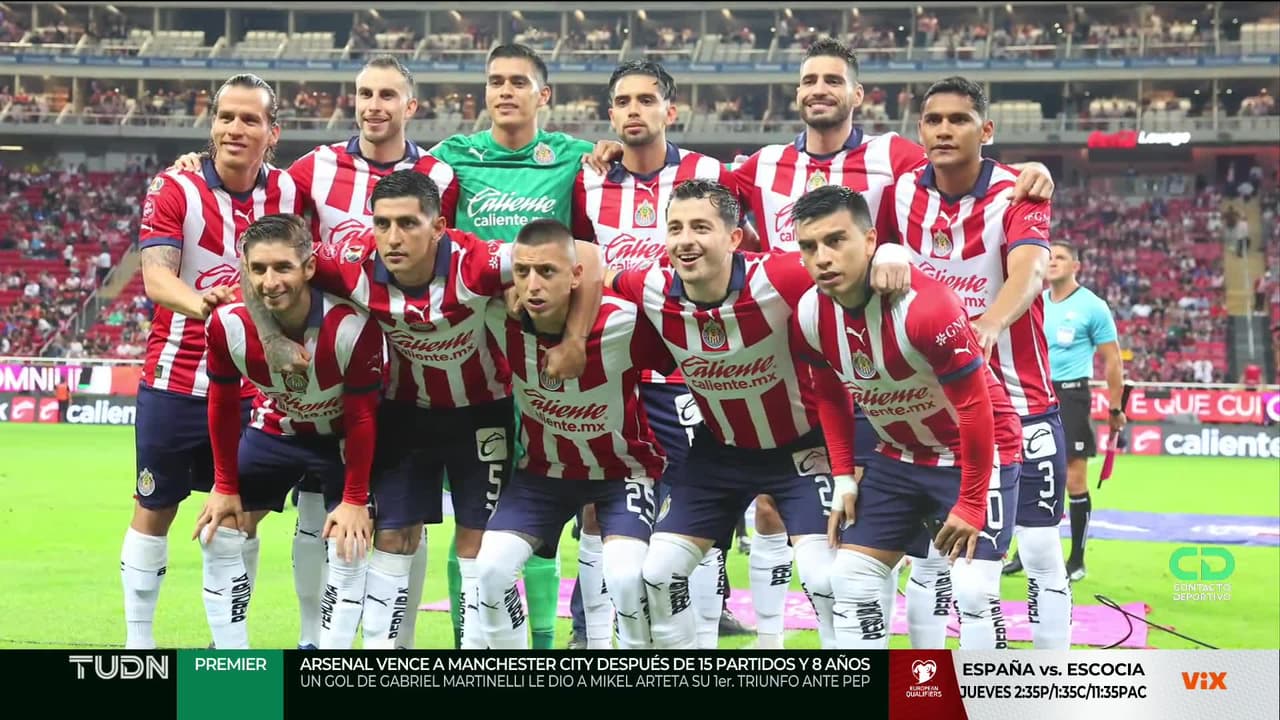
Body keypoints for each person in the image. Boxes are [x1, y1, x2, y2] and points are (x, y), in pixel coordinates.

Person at [242, 170, 601, 649]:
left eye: (408, 223)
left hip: (482, 416)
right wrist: (269, 338)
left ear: (439, 227)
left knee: (479, 547)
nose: (392, 237)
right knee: (393, 540)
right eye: (382, 223)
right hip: (405, 415)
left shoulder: (476, 262)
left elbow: (588, 255)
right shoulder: (352, 263)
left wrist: (574, 341)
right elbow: (257, 263)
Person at [170, 54, 458, 649]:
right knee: (313, 519)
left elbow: (447, 258)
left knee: (398, 524)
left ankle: (393, 650)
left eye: (387, 95)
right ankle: (302, 645)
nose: (373, 105)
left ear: (410, 106)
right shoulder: (313, 168)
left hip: (408, 372)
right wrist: (199, 164)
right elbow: (268, 249)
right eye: (364, 93)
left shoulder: (441, 173)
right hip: (316, 361)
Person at [871, 76, 1072, 650]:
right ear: (919, 130)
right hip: (939, 409)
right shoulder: (897, 194)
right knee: (934, 562)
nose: (944, 130)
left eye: (958, 119)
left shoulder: (1017, 191)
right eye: (933, 120)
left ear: (986, 131)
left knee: (1039, 550)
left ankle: (1053, 680)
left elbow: (1030, 270)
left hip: (1022, 402)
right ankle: (929, 684)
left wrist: (990, 322)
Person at [610, 179, 840, 650]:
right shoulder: (652, 286)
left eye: (700, 227)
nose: (685, 240)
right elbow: (591, 269)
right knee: (658, 572)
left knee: (825, 579)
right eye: (675, 228)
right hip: (719, 452)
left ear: (734, 238)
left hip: (801, 450)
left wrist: (893, 259)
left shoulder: (780, 276)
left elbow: (854, 267)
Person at [790, 185, 1023, 650]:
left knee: (973, 591)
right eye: (809, 246)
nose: (823, 258)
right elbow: (831, 397)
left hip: (974, 454)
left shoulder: (925, 308)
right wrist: (843, 477)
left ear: (870, 241)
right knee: (851, 579)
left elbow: (976, 408)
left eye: (836, 240)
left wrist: (971, 502)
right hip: (898, 457)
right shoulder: (810, 312)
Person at [567, 59, 750, 649]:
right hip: (614, 373)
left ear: (671, 110)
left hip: (690, 374)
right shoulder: (587, 180)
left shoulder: (710, 175)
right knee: (600, 507)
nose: (634, 110)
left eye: (646, 100)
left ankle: (698, 633)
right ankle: (591, 637)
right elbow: (578, 266)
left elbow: (747, 259)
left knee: (693, 508)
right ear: (610, 113)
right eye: (623, 101)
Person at [428, 43, 600, 649]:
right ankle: (468, 644)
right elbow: (415, 216)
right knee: (475, 520)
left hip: (543, 363)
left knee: (540, 515)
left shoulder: (576, 157)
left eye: (518, 82)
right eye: (495, 81)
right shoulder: (452, 157)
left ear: (543, 95)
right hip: (471, 362)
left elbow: (595, 244)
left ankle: (546, 648)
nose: (504, 91)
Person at [120, 73, 300, 650]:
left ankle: (230, 651)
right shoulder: (175, 186)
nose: (235, 129)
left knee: (237, 519)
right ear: (212, 124)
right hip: (175, 380)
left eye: (250, 119)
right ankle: (138, 647)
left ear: (273, 132)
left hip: (254, 390)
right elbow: (156, 277)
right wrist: (204, 305)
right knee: (155, 506)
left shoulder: (291, 194)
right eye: (226, 117)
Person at [476, 219, 672, 649]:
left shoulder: (622, 321)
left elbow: (682, 354)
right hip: (542, 474)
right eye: (523, 272)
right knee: (489, 569)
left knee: (626, 578)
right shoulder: (496, 316)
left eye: (547, 271)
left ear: (576, 276)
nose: (533, 285)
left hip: (623, 473)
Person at [196, 214, 383, 650]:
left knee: (349, 542)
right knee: (217, 529)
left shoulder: (351, 328)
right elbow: (222, 404)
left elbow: (362, 417)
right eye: (259, 269)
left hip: (341, 439)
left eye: (283, 267)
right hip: (276, 429)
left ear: (309, 267)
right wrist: (224, 486)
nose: (270, 281)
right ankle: (231, 661)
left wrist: (355, 499)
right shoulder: (227, 325)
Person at [1009, 240, 1124, 583]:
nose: (1053, 262)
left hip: (1072, 395)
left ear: (1076, 266)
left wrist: (1116, 406)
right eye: (1050, 257)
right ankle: (1024, 554)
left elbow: (1112, 359)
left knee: (1074, 479)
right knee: (1029, 476)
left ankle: (1076, 559)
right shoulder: (1034, 300)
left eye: (1060, 257)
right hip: (1034, 394)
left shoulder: (1093, 306)